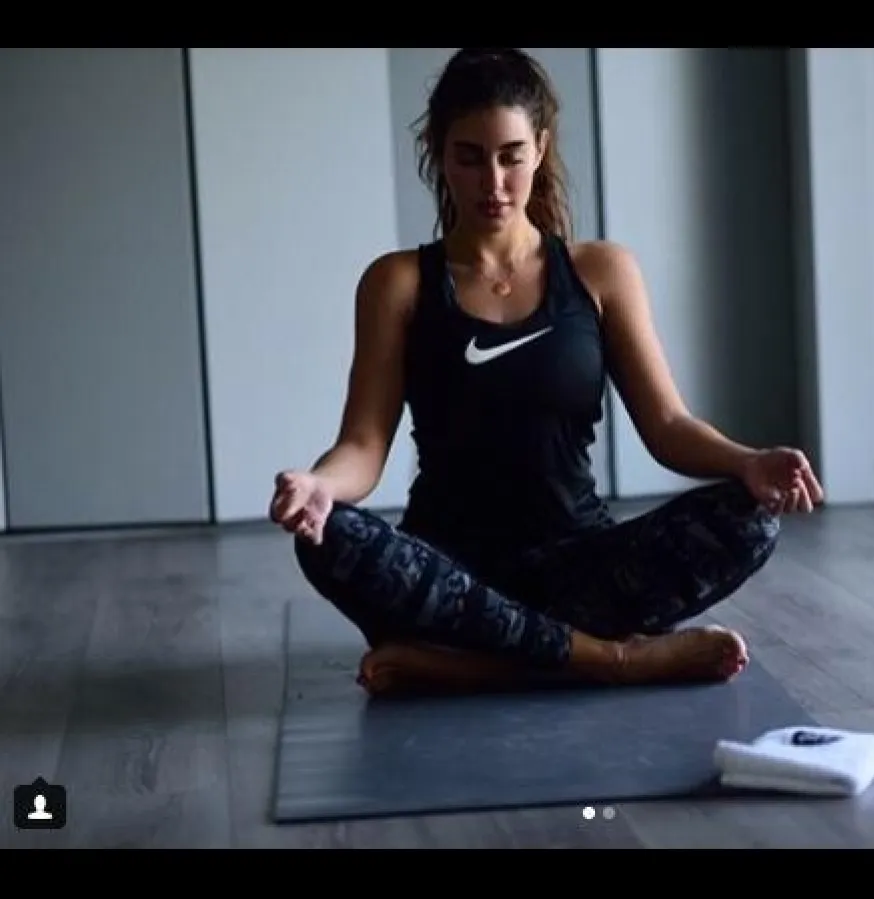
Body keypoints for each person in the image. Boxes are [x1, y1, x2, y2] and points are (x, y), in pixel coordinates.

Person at [268, 48, 824, 698]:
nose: (493, 182)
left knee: (751, 518)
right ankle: (610, 659)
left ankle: (464, 664)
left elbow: (668, 425)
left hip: (577, 563)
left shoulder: (601, 272)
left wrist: (748, 461)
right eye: (470, 157)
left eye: (511, 156)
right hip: (448, 571)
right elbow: (363, 445)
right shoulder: (397, 283)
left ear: (540, 148)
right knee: (327, 536)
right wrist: (320, 484)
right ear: (438, 154)